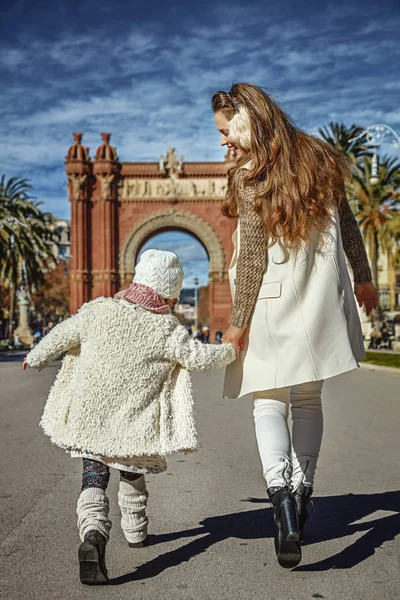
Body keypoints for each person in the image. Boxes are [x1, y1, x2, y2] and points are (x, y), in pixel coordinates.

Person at [212, 83, 378, 568]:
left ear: (247, 122)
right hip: (322, 299)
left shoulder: (250, 174)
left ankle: (281, 501)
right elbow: (348, 223)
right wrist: (363, 278)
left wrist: (238, 324)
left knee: (268, 400)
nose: (223, 144)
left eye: (226, 133)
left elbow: (253, 260)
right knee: (308, 400)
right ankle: (303, 494)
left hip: (271, 300)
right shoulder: (323, 157)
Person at [23, 249, 236, 585]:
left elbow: (64, 332)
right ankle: (136, 534)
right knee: (133, 475)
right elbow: (197, 357)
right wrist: (231, 350)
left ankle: (92, 534)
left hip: (90, 418)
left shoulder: (98, 311)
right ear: (169, 292)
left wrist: (37, 355)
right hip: (134, 424)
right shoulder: (166, 328)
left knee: (93, 475)